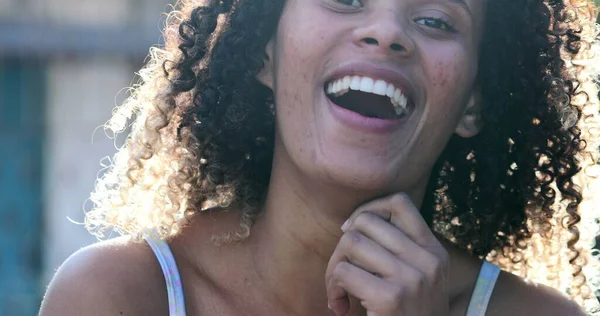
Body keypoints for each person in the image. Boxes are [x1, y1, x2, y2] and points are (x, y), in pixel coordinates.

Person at [40, 0, 600, 315]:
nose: (385, 33)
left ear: (472, 103)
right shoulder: (117, 298)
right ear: (266, 55)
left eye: (434, 20)